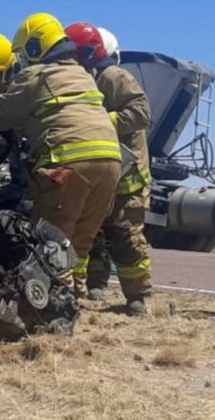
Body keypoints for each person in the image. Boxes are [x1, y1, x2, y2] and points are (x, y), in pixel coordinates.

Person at [0, 13, 122, 297]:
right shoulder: (82, 74)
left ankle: (50, 306)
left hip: (69, 163)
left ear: (35, 49)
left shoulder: (36, 75)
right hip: (110, 164)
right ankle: (74, 298)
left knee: (50, 240)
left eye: (23, 52)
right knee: (78, 244)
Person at [65, 23, 153, 315]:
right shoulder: (82, 79)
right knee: (86, 234)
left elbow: (141, 113)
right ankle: (80, 291)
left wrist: (101, 122)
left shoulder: (114, 77)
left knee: (125, 235)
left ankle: (136, 297)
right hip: (100, 171)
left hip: (126, 177)